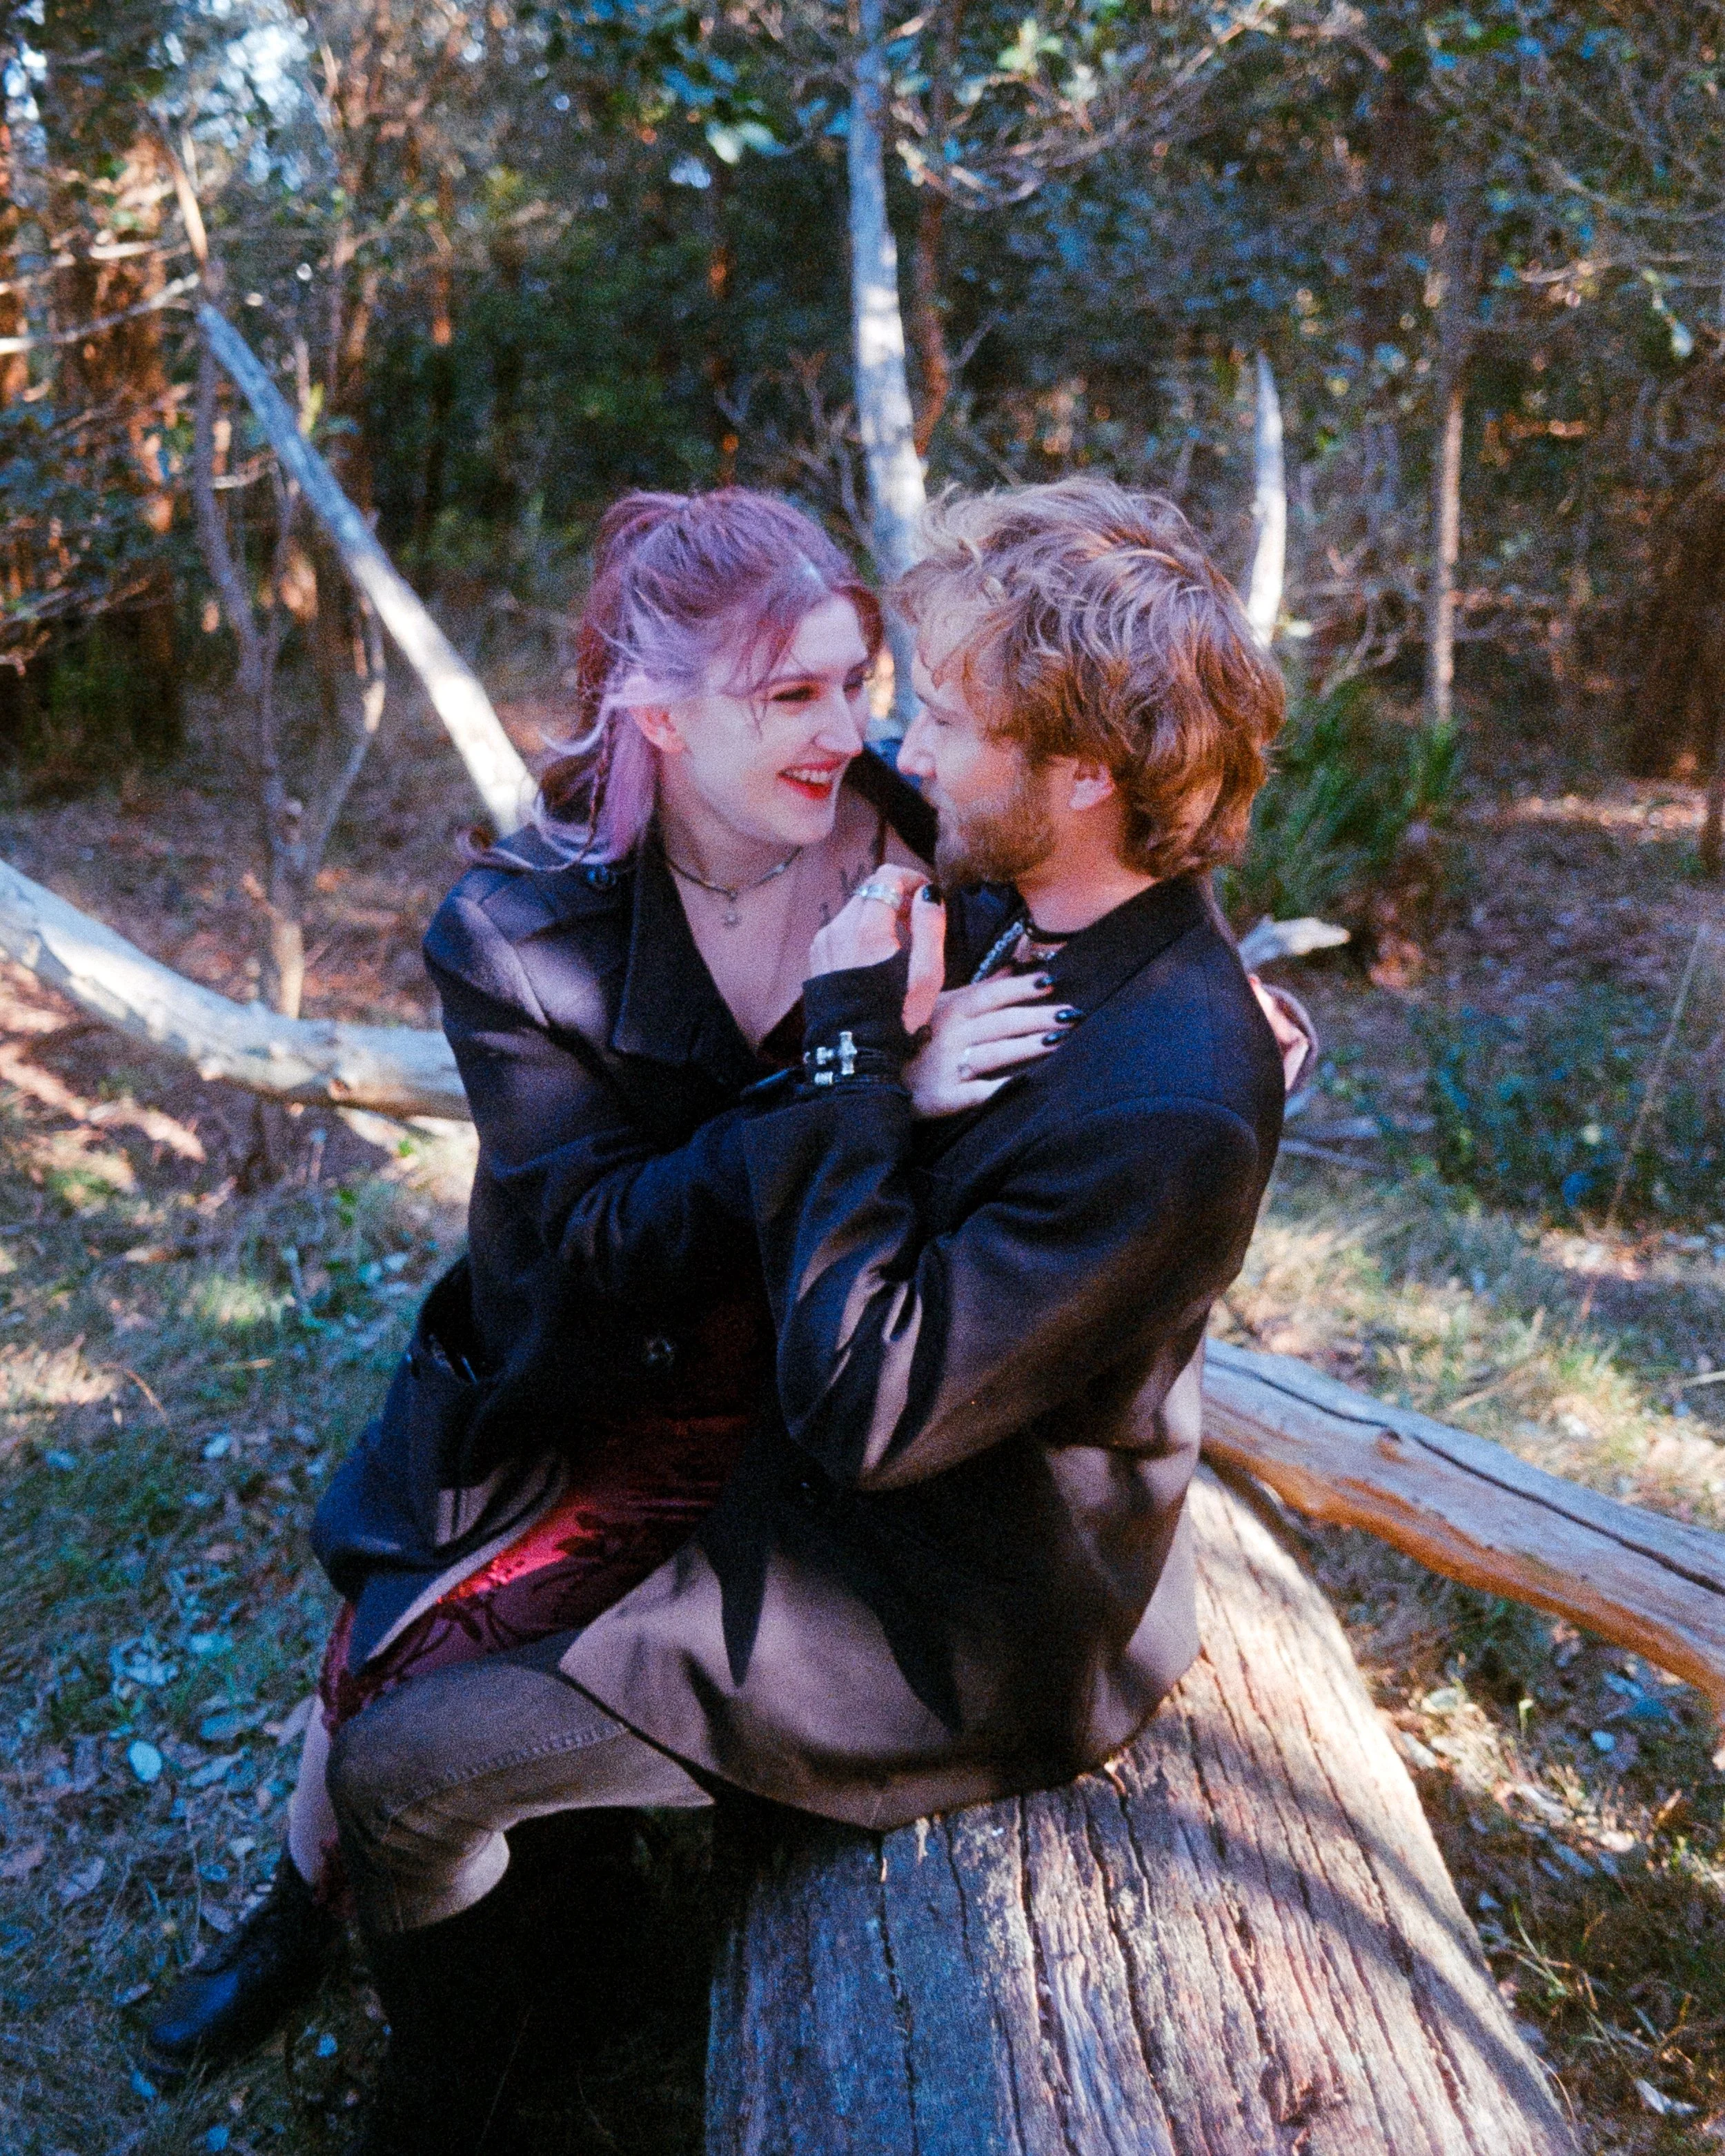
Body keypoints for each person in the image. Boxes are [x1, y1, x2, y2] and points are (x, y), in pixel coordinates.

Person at [321, 476, 1300, 2155]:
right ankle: (470, 1954)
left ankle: (454, 2111)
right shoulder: (1037, 889)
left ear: (1077, 774)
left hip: (943, 1601)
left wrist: (854, 1050)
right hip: (769, 1440)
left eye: (937, 710)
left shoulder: (1162, 1080)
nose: (893, 749)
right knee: (384, 1668)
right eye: (842, 696)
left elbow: (868, 1396)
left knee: (402, 1777)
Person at [144, 487, 1074, 2078]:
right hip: (584, 1358)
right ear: (652, 712)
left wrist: (1214, 1001)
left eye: (853, 680)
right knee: (398, 1633)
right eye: (787, 695)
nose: (842, 729)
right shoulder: (512, 927)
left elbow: (1102, 899)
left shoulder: (917, 836)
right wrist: (864, 1090)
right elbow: (604, 1233)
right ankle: (296, 1909)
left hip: (815, 1354)